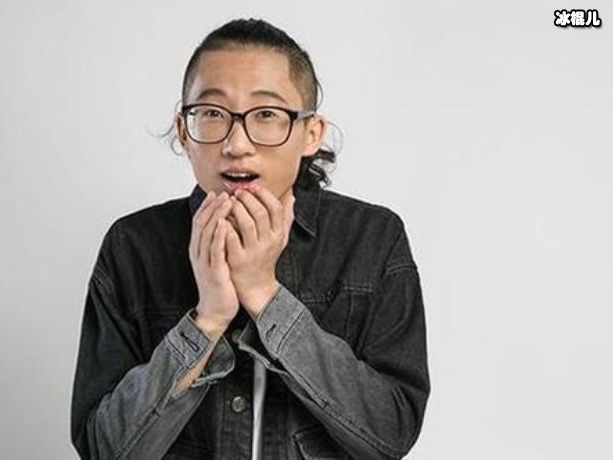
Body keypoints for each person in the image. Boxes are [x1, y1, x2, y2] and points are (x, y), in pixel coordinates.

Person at [71, 18, 430, 460]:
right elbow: (102, 448)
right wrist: (207, 322)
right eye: (212, 113)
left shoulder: (373, 238)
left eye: (266, 115)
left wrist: (265, 296)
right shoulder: (132, 246)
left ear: (310, 134)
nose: (237, 144)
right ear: (183, 132)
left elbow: (390, 433)